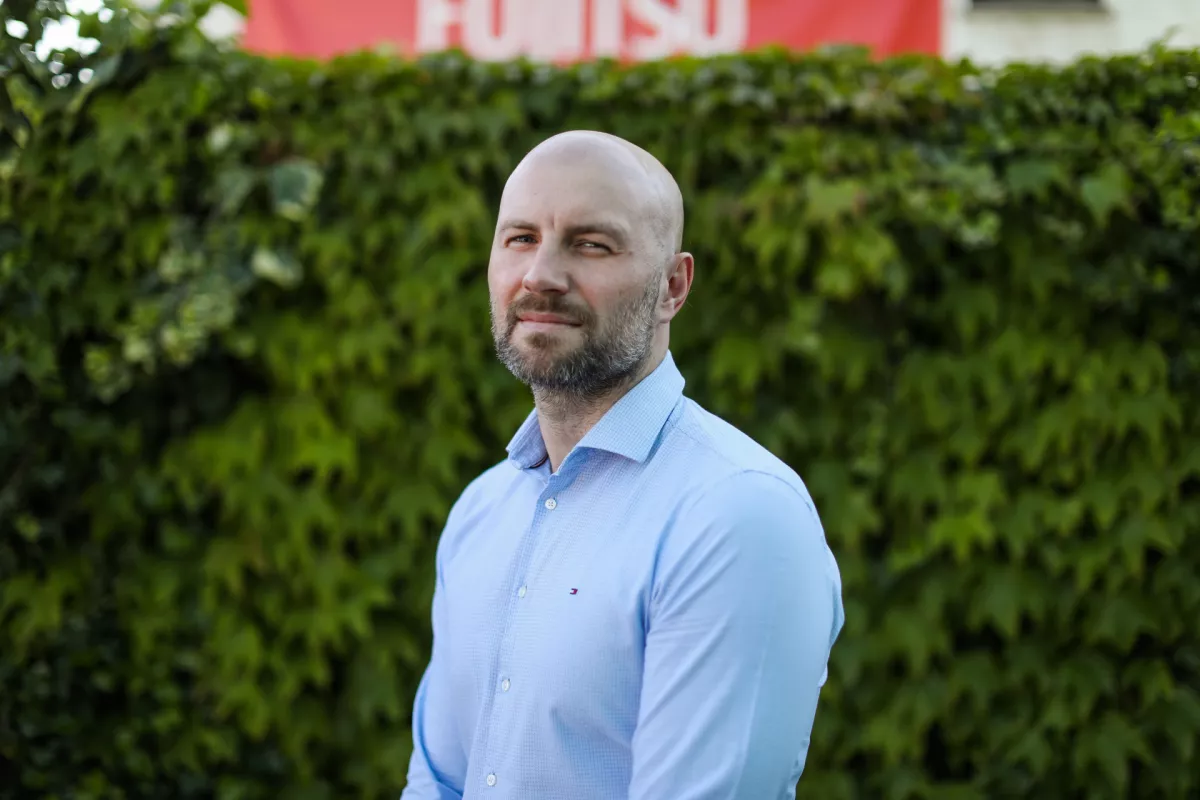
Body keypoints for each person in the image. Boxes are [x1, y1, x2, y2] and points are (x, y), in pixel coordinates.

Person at [400, 130, 844, 800]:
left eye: (591, 244)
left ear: (673, 287)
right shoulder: (480, 511)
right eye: (520, 238)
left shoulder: (738, 516)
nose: (540, 275)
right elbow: (437, 782)